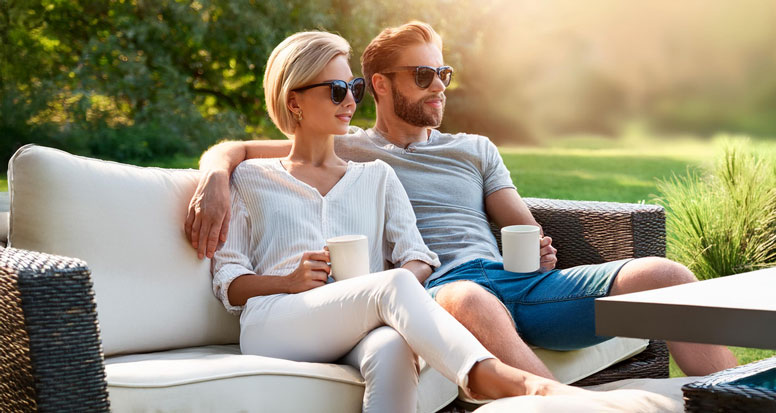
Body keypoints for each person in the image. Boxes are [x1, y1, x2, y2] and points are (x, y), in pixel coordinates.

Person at [191, 22, 737, 379]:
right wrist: (215, 176)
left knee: (669, 277)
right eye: (423, 75)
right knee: (474, 299)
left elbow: (522, 226)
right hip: (443, 293)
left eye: (443, 73)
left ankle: (740, 400)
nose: (438, 86)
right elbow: (244, 149)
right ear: (378, 86)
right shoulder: (351, 147)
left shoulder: (475, 149)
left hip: (521, 283)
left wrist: (541, 252)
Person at [214, 30, 595, 413]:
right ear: (293, 101)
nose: (349, 101)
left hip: (355, 320)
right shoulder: (251, 177)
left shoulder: (376, 175)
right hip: (276, 320)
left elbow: (419, 257)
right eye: (336, 91)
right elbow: (228, 282)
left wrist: (369, 292)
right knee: (392, 284)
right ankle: (520, 386)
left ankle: (516, 385)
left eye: (354, 89)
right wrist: (288, 281)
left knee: (393, 346)